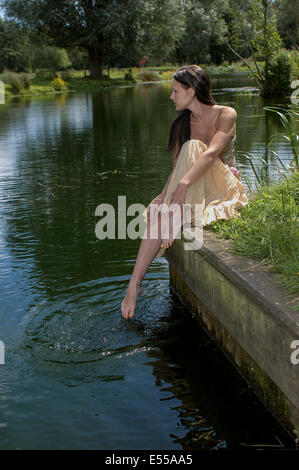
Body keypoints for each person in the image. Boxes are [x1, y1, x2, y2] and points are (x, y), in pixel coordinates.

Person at [121, 64, 248, 320]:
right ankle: (134, 285)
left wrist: (180, 187)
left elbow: (212, 153)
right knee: (159, 207)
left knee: (194, 148)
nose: (171, 96)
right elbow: (179, 169)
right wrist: (163, 195)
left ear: (191, 92)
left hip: (223, 186)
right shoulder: (182, 124)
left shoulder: (226, 114)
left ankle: (174, 217)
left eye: (175, 91)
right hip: (193, 188)